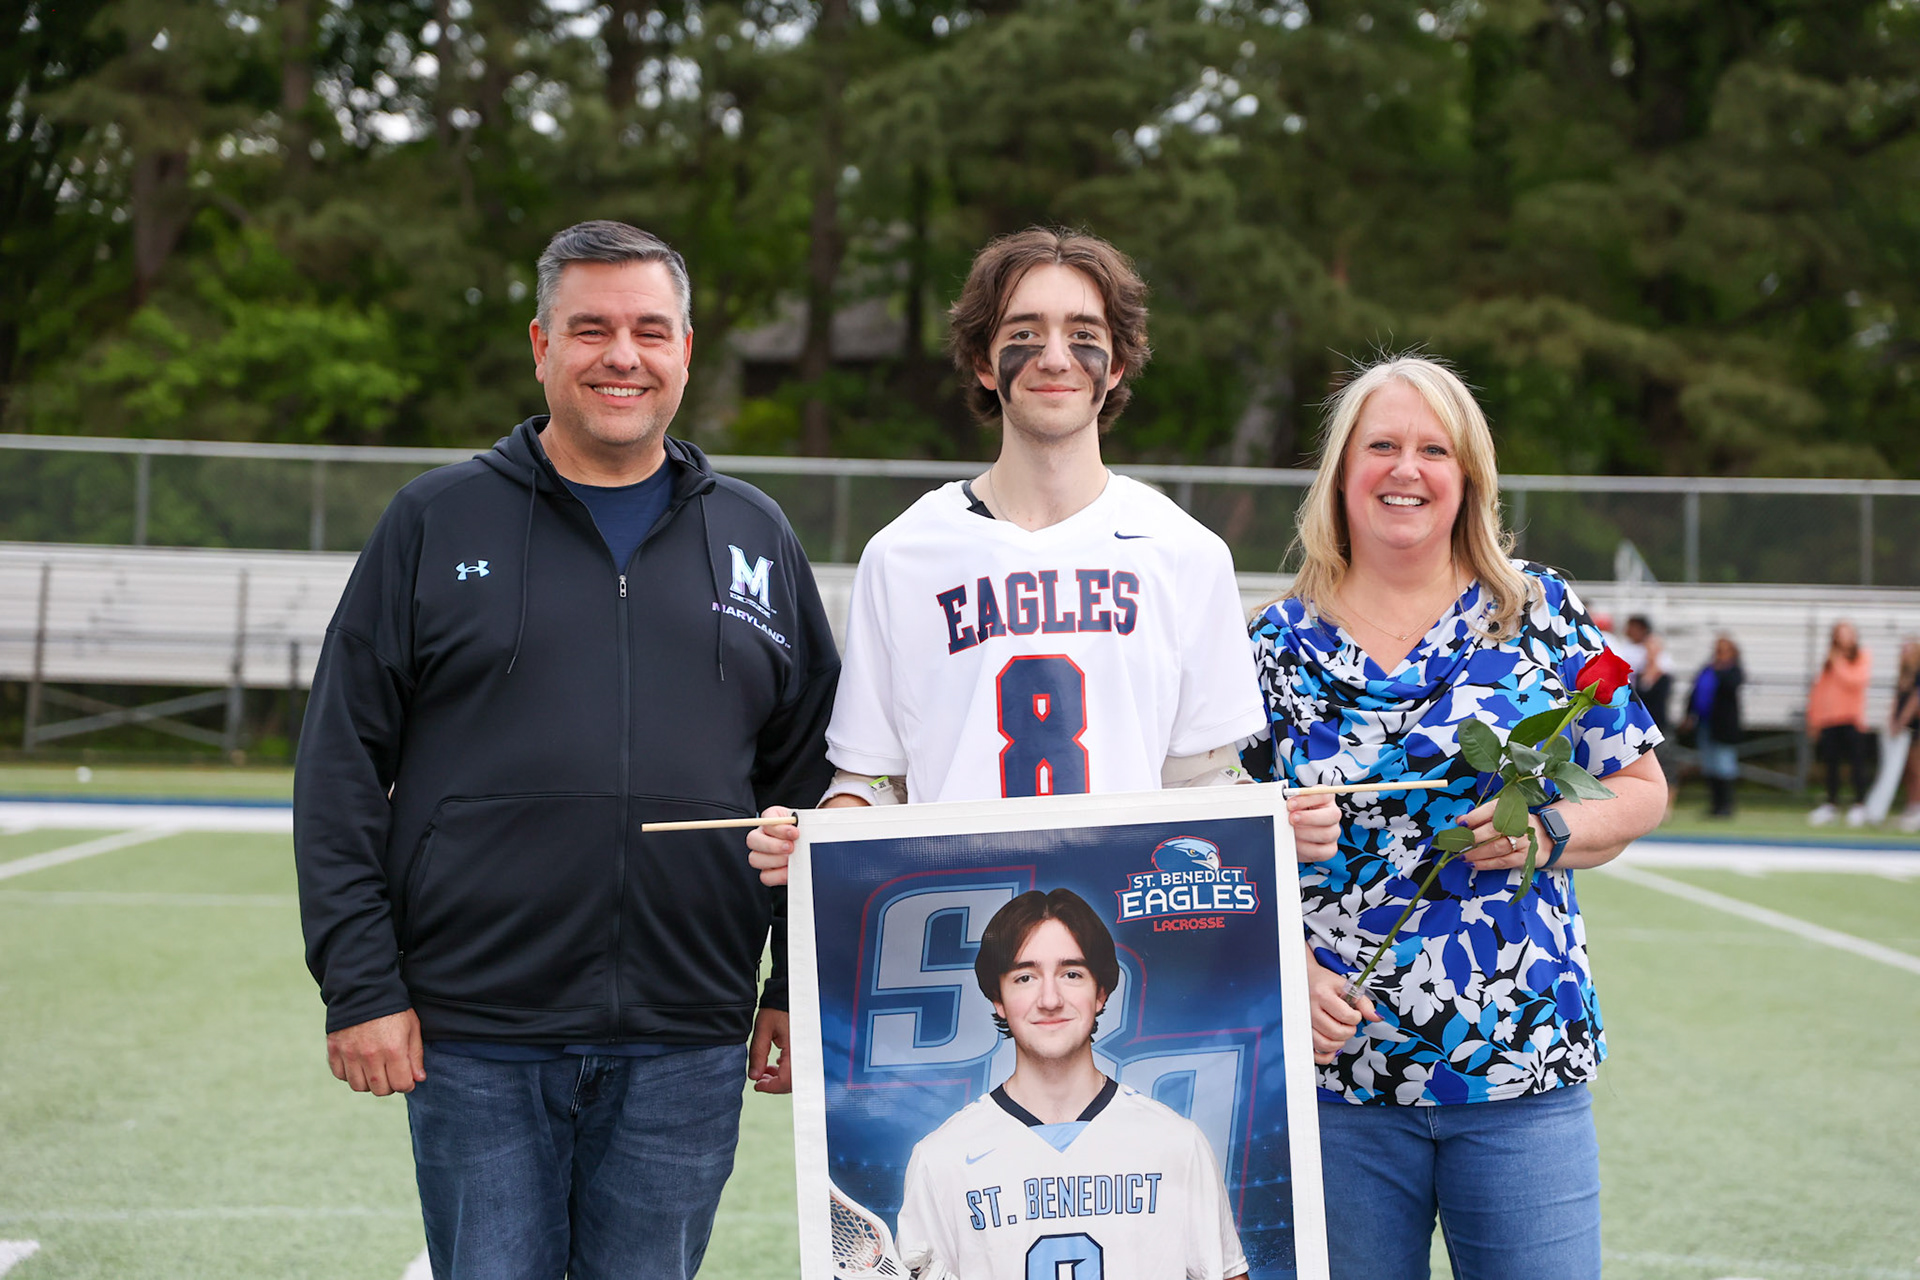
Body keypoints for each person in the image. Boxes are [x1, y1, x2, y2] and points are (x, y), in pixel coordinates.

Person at [293, 221, 840, 1279]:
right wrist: (359, 984)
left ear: (686, 348)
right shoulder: (433, 519)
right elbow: (340, 767)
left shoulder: (755, 532)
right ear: (541, 345)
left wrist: (790, 985)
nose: (621, 355)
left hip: (688, 1031)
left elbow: (808, 779)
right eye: (591, 328)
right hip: (474, 1032)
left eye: (649, 329)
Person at [1240, 354, 1666, 1280]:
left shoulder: (1545, 610)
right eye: (1381, 445)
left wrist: (1547, 833)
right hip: (1333, 1085)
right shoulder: (1265, 645)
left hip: (1520, 1065)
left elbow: (1643, 787)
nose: (1406, 469)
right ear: (1341, 471)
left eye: (1434, 448)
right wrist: (1285, 932)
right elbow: (1209, 854)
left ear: (1467, 474)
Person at [747, 229, 1329, 883]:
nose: (1055, 357)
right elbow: (875, 778)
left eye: (1082, 332)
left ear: (1116, 364)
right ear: (983, 362)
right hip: (961, 929)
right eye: (1024, 332)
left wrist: (1271, 826)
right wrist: (817, 835)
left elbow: (1200, 779)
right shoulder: (902, 554)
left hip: (1126, 938)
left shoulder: (1186, 553)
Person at [893, 889, 1248, 1280]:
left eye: (1071, 974)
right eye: (1025, 976)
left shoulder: (1177, 1144)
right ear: (998, 997)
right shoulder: (941, 1160)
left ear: (1100, 992)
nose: (1049, 999)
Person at [1682, 635, 1745, 819]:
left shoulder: (1733, 670)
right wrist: (1689, 714)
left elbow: (1730, 687)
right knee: (1709, 765)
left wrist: (1720, 670)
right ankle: (1715, 804)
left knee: (1724, 765)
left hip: (1723, 727)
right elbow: (1695, 692)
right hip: (1705, 723)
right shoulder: (1707, 669)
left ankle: (1726, 805)